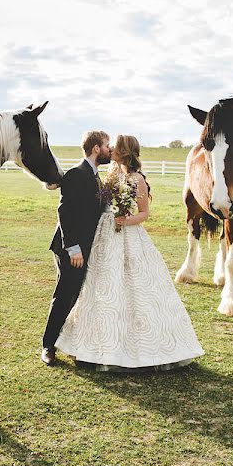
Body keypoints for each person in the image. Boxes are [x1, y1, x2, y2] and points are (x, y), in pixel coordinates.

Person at [55, 135, 204, 371]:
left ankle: (139, 346)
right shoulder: (111, 176)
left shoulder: (138, 180)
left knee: (136, 287)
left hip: (128, 235)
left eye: (116, 146)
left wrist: (126, 220)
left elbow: (144, 213)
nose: (111, 148)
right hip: (104, 237)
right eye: (109, 145)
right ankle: (97, 342)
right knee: (102, 287)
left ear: (125, 152)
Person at [41, 130, 112, 365]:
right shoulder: (76, 174)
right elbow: (64, 213)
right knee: (65, 295)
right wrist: (73, 248)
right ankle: (48, 346)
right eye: (106, 145)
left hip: (85, 247)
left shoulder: (95, 176)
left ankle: (70, 341)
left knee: (76, 295)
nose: (110, 149)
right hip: (71, 249)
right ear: (96, 149)